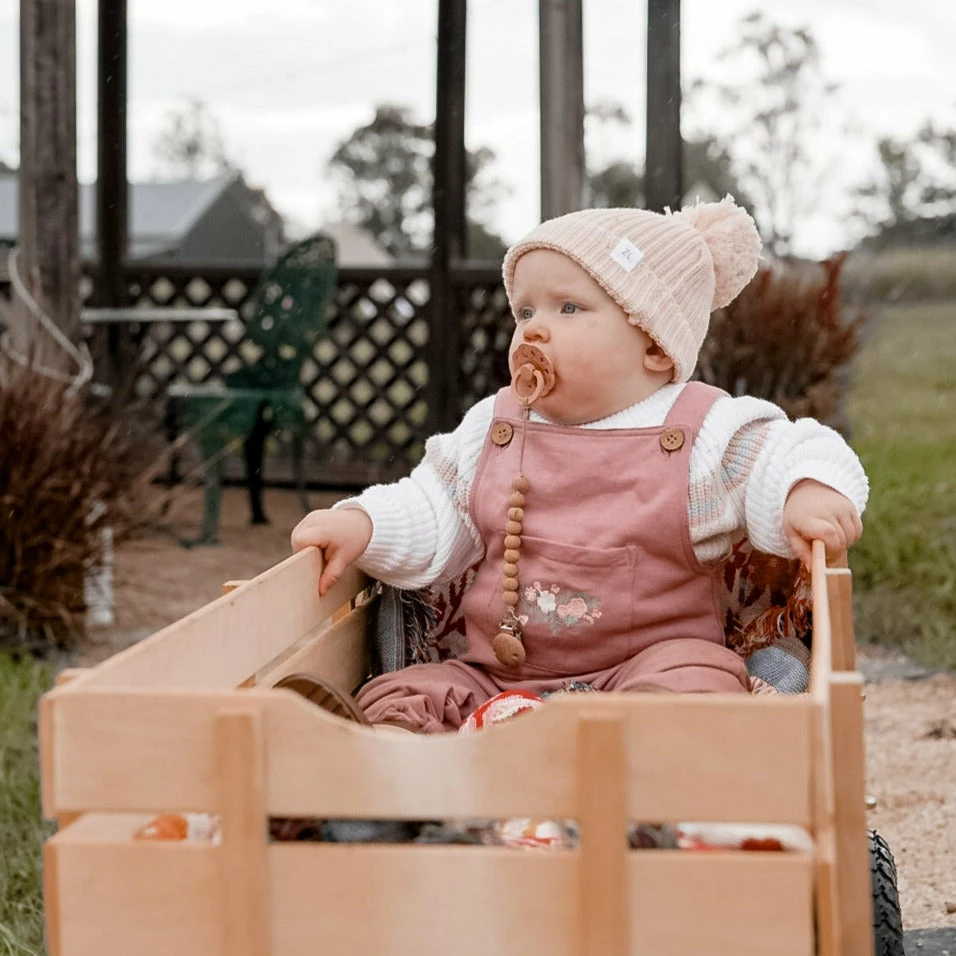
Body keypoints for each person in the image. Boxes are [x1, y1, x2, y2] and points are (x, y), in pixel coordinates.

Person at [290, 197, 868, 734]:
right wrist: (362, 524)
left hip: (642, 673)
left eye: (569, 307)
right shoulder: (496, 426)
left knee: (701, 680)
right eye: (524, 310)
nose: (534, 328)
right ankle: (387, 779)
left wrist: (807, 490)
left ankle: (637, 768)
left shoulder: (702, 430)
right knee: (404, 693)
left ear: (655, 345)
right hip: (499, 674)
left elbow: (789, 450)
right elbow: (430, 506)